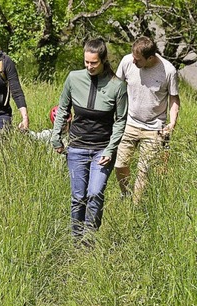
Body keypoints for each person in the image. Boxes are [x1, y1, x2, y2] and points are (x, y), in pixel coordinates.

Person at [50, 38, 127, 240]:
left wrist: (111, 150)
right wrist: (56, 137)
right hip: (76, 148)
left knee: (95, 194)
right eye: (86, 62)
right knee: (78, 197)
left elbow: (120, 121)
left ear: (103, 60)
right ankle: (77, 240)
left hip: (102, 149)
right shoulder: (73, 79)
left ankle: (90, 238)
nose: (89, 66)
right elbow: (63, 109)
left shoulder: (117, 86)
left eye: (93, 63)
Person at [114, 36, 180, 203]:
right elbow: (115, 87)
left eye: (138, 60)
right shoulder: (127, 61)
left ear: (151, 57)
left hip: (154, 127)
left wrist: (172, 124)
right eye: (133, 57)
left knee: (144, 170)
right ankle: (126, 194)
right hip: (129, 122)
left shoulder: (169, 71)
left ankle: (134, 208)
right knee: (120, 165)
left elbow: (173, 99)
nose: (134, 62)